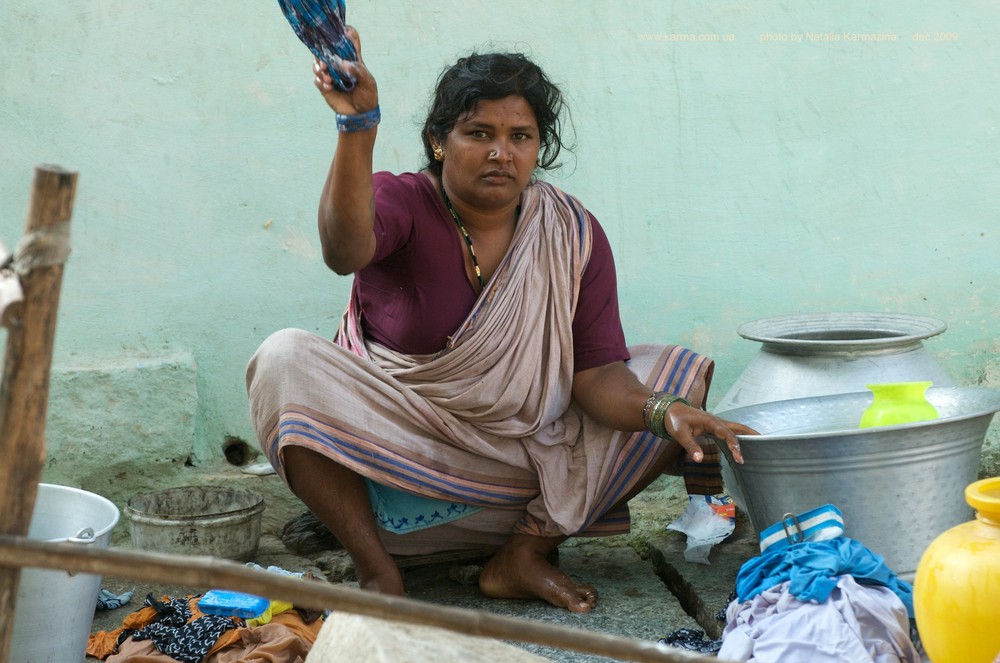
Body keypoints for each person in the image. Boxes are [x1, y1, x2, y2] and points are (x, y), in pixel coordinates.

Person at [247, 27, 755, 613]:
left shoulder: (570, 233)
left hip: (514, 476)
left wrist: (664, 413)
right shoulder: (403, 201)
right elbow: (343, 251)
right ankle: (379, 575)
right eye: (478, 133)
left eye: (520, 136)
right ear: (440, 141)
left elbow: (595, 376)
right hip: (394, 464)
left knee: (672, 375)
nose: (500, 152)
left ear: (539, 148)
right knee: (285, 357)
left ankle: (523, 554)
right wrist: (358, 126)